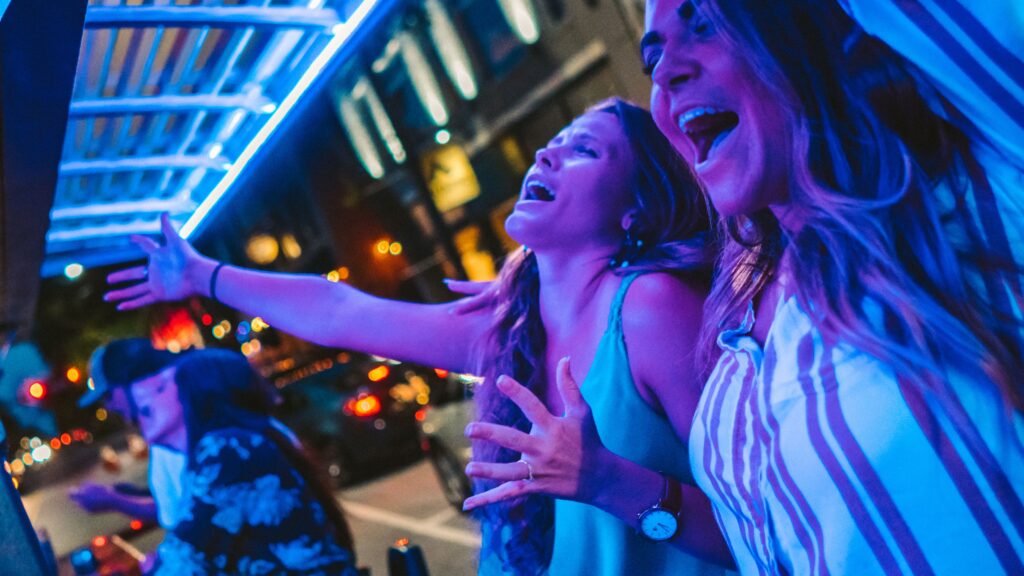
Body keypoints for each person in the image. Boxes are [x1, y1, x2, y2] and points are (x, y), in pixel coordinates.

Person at [463, 1, 1024, 574]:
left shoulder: (965, 209)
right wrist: (609, 483)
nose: (665, 71)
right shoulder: (735, 321)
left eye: (707, 25)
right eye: (651, 55)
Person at [105, 99, 730, 575]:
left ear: (635, 209)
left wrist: (606, 481)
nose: (545, 156)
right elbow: (340, 311)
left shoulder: (650, 310)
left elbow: (755, 525)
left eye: (584, 151)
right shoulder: (511, 329)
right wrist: (201, 274)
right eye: (552, 144)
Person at [140, 348, 359, 575]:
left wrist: (154, 567)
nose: (145, 401)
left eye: (163, 387)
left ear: (195, 393)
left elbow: (185, 560)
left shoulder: (227, 449)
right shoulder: (240, 442)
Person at [71, 339, 188, 530]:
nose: (108, 407)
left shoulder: (191, 429)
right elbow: (175, 509)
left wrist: (115, 501)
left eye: (108, 395)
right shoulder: (160, 437)